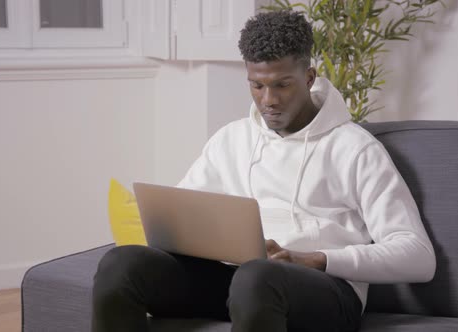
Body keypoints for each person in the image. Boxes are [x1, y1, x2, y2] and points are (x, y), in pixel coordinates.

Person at [92, 11, 436, 332]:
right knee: (121, 266)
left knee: (257, 277)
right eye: (257, 85)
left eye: (282, 85)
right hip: (237, 281)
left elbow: (418, 256)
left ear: (309, 77)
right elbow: (181, 224)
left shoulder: (354, 149)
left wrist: (315, 259)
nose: (268, 99)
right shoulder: (232, 139)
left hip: (327, 291)